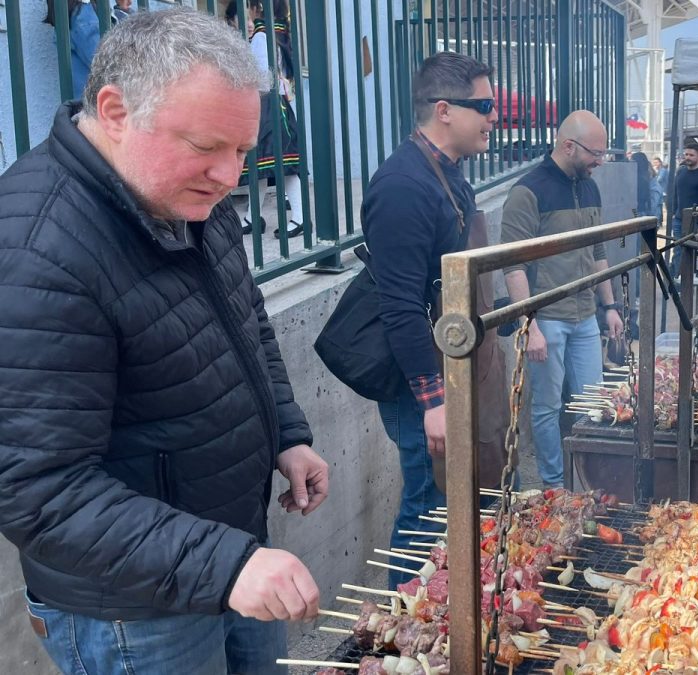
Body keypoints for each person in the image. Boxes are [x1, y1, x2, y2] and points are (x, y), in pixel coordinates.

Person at [0, 10, 329, 674]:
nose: (230, 175)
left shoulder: (186, 196)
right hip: (134, 612)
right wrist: (227, 563)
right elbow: (37, 489)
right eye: (208, 147)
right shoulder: (38, 249)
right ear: (116, 111)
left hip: (228, 555)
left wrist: (286, 432)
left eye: (242, 151)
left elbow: (246, 322)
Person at [362, 51, 499, 589]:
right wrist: (434, 401)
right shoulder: (403, 186)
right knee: (424, 507)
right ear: (444, 110)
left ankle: (446, 616)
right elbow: (398, 306)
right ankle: (405, 629)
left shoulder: (448, 176)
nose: (494, 117)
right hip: (419, 382)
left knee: (446, 505)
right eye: (484, 106)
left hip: (452, 364)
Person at [501, 112, 623, 488]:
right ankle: (554, 485)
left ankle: (590, 480)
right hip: (548, 318)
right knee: (547, 407)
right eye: (595, 153)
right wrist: (529, 324)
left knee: (594, 403)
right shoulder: (528, 191)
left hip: (586, 314)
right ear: (568, 146)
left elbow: (598, 250)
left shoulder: (589, 187)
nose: (600, 162)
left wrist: (611, 307)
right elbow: (512, 265)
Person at [236, 0, 304, 239]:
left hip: (265, 106)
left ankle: (299, 218)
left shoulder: (262, 36)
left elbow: (261, 79)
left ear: (258, 9)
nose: (249, 11)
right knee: (271, 164)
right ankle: (253, 217)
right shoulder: (281, 33)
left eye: (250, 6)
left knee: (268, 164)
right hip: (280, 106)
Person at [671, 142, 698, 275]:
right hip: (679, 219)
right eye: (686, 154)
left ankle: (689, 281)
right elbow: (675, 194)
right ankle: (677, 281)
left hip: (695, 220)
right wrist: (674, 212)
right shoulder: (681, 172)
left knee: (692, 251)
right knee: (678, 250)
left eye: (691, 155)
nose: (688, 157)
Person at [44, 0, 100, 99]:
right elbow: (108, 63)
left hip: (85, 103)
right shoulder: (84, 15)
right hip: (98, 103)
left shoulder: (69, 15)